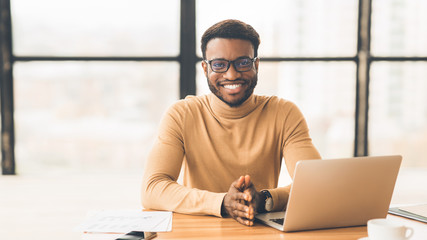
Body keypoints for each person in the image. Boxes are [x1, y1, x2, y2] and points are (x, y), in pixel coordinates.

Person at [141, 19, 321, 226]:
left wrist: (264, 200)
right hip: (198, 232)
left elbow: (315, 184)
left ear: (257, 64)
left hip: (258, 231)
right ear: (205, 68)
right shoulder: (181, 114)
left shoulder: (284, 113)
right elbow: (152, 189)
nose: (232, 74)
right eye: (219, 64)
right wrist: (222, 202)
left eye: (243, 62)